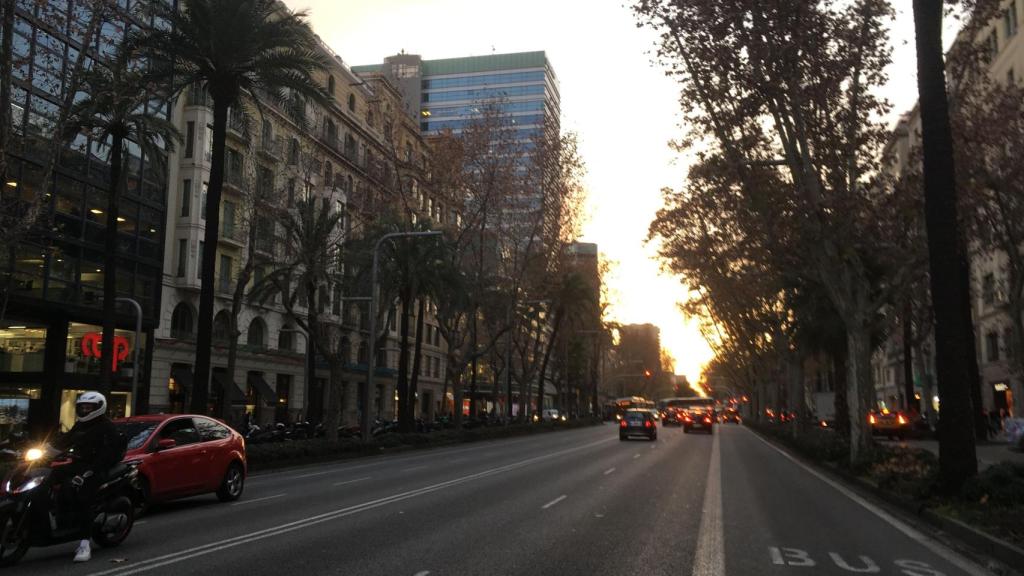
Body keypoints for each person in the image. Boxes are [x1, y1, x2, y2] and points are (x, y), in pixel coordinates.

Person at [53, 391, 124, 563]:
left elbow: (109, 454)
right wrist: (45, 449)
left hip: (96, 469)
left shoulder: (107, 427)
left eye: (88, 407)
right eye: (83, 407)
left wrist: (90, 471)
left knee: (84, 496)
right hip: (77, 464)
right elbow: (64, 441)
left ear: (99, 408)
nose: (85, 410)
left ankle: (84, 544)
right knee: (48, 478)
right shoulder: (80, 425)